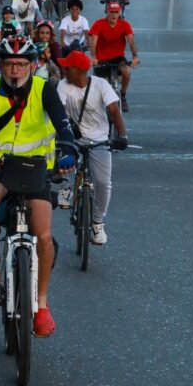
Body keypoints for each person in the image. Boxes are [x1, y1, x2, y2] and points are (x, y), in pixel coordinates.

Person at [0, 36, 77, 337]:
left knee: (44, 235)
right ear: (1, 66)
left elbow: (62, 124)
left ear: (33, 65)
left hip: (36, 167)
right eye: (10, 64)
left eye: (21, 64)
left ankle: (42, 306)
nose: (15, 70)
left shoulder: (44, 89)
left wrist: (68, 149)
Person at [56, 50, 127, 245]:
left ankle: (97, 223)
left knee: (103, 183)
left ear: (79, 71)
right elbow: (59, 111)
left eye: (68, 68)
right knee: (59, 156)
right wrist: (66, 129)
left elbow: (114, 111)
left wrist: (122, 136)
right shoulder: (63, 85)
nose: (64, 70)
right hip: (73, 138)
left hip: (99, 140)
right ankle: (65, 187)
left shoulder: (101, 85)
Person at [88, 1, 140, 112]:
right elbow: (93, 41)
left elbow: (131, 40)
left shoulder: (124, 25)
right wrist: (93, 56)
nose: (114, 15)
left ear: (120, 12)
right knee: (103, 84)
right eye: (111, 12)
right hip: (101, 59)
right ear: (107, 12)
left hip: (118, 58)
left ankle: (123, 96)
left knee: (127, 71)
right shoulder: (99, 23)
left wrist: (135, 56)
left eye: (116, 12)